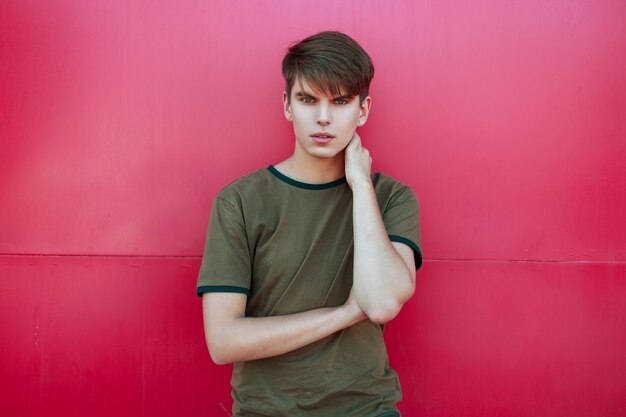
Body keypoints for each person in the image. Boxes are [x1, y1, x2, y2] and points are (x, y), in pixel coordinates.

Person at [197, 31, 422, 417]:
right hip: (266, 411)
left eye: (340, 101)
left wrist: (360, 183)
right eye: (307, 99)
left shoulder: (391, 197)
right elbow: (223, 341)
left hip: (367, 409)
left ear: (363, 110)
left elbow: (382, 303)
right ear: (286, 105)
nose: (323, 117)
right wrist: (346, 313)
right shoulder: (239, 202)